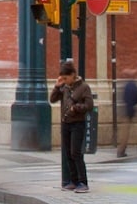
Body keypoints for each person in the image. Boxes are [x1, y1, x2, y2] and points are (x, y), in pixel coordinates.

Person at [48, 61, 94, 193]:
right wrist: (57, 86)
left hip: (77, 123)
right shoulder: (64, 87)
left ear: (73, 75)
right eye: (62, 78)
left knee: (76, 152)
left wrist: (77, 107)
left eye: (66, 78)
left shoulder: (84, 87)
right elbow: (52, 99)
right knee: (68, 153)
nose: (65, 81)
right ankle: (73, 181)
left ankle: (83, 182)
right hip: (66, 123)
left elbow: (89, 105)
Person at [115, 68, 137, 158]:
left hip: (126, 111)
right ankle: (121, 151)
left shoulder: (127, 85)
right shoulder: (133, 86)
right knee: (126, 133)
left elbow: (124, 99)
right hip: (129, 112)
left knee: (128, 131)